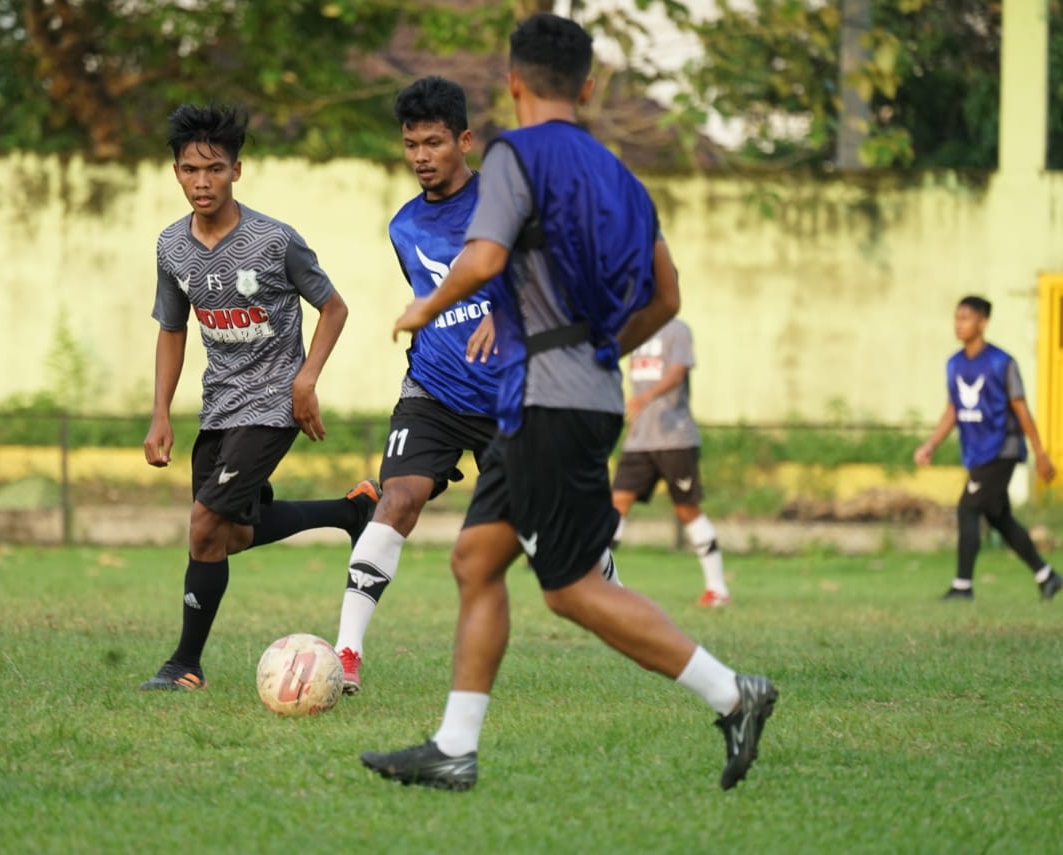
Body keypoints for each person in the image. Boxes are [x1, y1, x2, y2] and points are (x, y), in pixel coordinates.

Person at [359, 13, 777, 792]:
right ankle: (455, 745)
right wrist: (599, 350)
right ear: (587, 87)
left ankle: (733, 692)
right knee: (476, 558)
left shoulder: (516, 154)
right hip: (572, 393)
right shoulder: (622, 175)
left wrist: (427, 306)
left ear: (513, 84)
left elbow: (483, 256)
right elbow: (667, 295)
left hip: (545, 398)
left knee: (572, 587)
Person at [139, 103, 379, 691]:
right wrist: (160, 414)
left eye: (214, 169)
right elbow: (172, 331)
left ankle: (184, 665)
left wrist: (305, 379)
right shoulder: (172, 247)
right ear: (175, 172)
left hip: (273, 404)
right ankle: (353, 511)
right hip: (219, 406)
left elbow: (334, 307)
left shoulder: (274, 241)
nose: (202, 181)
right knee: (232, 535)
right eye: (191, 169)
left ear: (236, 171)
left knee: (202, 525)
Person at [331, 76, 502, 695]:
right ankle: (345, 653)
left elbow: (548, 277)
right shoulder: (404, 226)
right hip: (431, 388)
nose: (422, 156)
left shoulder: (503, 204)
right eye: (411, 145)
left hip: (508, 395)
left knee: (551, 534)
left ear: (464, 139)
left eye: (434, 142)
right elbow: (431, 298)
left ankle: (615, 599)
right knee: (397, 499)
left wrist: (503, 314)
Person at [913, 295, 1060, 602]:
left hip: (1001, 448)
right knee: (998, 517)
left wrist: (1040, 453)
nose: (959, 324)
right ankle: (1047, 576)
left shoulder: (1001, 362)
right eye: (956, 318)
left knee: (968, 507)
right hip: (977, 450)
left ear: (982, 322)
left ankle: (962, 586)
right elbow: (953, 409)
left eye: (965, 318)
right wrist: (931, 444)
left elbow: (1021, 409)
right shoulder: (954, 364)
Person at [611, 317, 730, 607]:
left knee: (687, 510)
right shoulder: (634, 326)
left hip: (675, 438)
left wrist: (645, 397)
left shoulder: (677, 330)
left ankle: (717, 589)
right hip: (639, 439)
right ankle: (606, 587)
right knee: (615, 506)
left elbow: (677, 374)